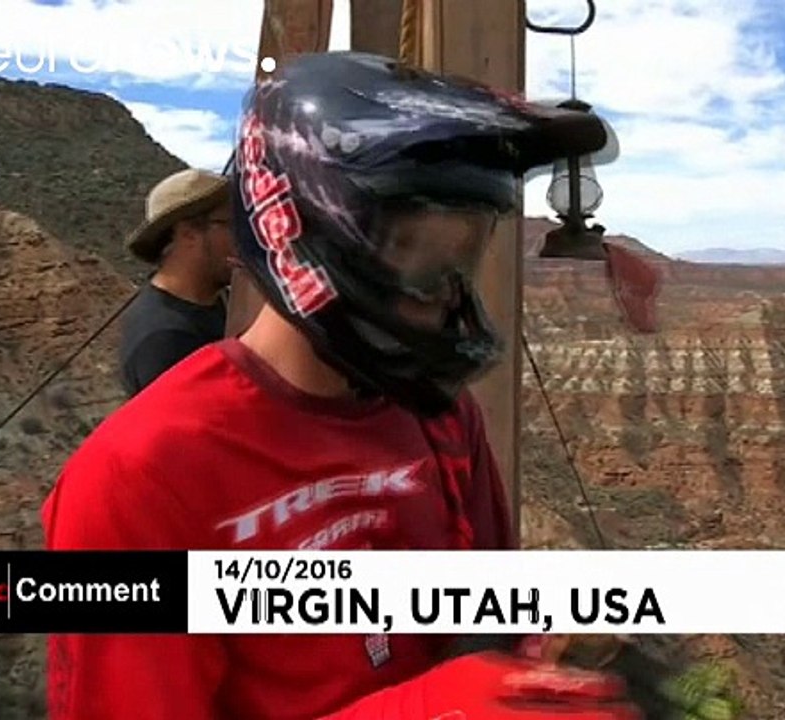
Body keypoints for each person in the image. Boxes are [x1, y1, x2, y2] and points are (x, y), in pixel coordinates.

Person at [41, 51, 640, 720]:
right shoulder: (139, 476)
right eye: (415, 252)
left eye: (462, 255)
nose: (445, 295)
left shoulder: (438, 415)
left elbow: (483, 618)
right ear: (308, 230)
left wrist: (543, 668)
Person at [118, 168, 235, 397]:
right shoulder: (165, 340)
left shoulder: (217, 302)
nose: (242, 238)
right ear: (188, 234)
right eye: (231, 225)